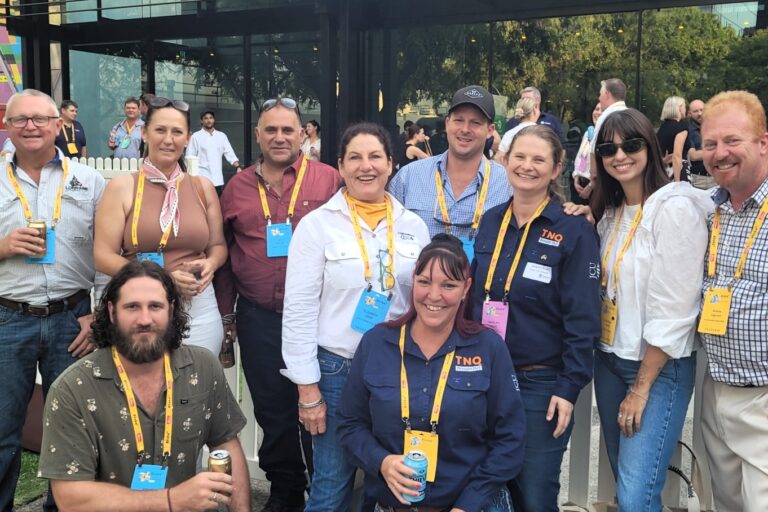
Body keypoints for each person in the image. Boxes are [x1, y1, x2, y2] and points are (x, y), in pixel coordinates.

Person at [281, 122, 430, 511]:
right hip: (337, 370)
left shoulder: (414, 227)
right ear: (341, 166)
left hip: (398, 369)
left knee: (390, 479)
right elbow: (298, 308)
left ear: (391, 164)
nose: (366, 166)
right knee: (332, 484)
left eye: (375, 156)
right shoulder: (317, 226)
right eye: (355, 158)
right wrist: (307, 389)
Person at [38, 260, 251, 512]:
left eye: (155, 306)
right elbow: (70, 498)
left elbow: (226, 444)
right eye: (132, 307)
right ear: (112, 311)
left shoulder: (202, 367)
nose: (145, 319)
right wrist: (172, 500)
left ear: (171, 310)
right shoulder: (73, 389)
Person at [214, 96, 341, 512]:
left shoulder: (329, 180)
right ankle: (286, 490)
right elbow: (225, 256)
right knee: (272, 411)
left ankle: (325, 492)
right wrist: (228, 316)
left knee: (318, 406)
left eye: (288, 129)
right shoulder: (236, 188)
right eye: (271, 129)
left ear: (303, 134)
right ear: (257, 135)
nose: (280, 137)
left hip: (318, 320)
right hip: (260, 319)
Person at [337, 234, 526, 511]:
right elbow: (349, 424)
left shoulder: (489, 348)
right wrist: (381, 461)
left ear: (466, 288)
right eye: (425, 282)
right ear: (413, 281)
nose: (434, 296)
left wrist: (468, 504)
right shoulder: (377, 343)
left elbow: (510, 439)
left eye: (448, 285)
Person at [471, 125, 600, 511]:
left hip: (539, 384)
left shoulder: (574, 229)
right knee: (487, 488)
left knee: (534, 494)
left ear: (556, 168)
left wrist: (568, 387)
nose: (527, 166)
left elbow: (583, 318)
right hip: (483, 376)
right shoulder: (491, 221)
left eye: (539, 159)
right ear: (505, 161)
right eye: (520, 157)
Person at [590, 108, 711, 511]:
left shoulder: (674, 209)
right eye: (608, 149)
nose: (620, 155)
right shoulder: (609, 214)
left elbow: (678, 305)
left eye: (631, 144)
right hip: (610, 360)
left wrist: (640, 389)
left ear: (651, 147)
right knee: (626, 484)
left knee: (635, 496)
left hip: (656, 369)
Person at [0, 88, 105, 511]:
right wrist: (3, 246)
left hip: (74, 319)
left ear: (58, 125)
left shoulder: (89, 180)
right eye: (20, 119)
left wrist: (99, 314)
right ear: (7, 125)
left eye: (40, 119)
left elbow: (106, 253)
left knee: (74, 428)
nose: (30, 126)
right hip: (8, 318)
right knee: (3, 429)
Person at [94, 96, 226, 355]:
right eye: (160, 130)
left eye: (177, 132)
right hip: (142, 307)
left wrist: (211, 264)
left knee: (197, 376)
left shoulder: (203, 187)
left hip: (199, 309)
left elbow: (218, 245)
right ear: (144, 133)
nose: (168, 139)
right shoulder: (122, 187)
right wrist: (163, 278)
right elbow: (102, 256)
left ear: (187, 138)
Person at [698, 90, 768, 512]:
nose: (720, 153)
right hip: (716, 388)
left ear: (763, 143)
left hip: (763, 394)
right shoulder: (710, 209)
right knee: (725, 504)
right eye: (710, 143)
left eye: (732, 141)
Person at [388, 85, 512, 261]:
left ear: (490, 130)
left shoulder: (507, 185)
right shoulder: (408, 177)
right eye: (459, 120)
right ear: (447, 124)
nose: (465, 129)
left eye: (475, 122)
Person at [186, 110, 241, 195]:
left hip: (217, 179)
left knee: (217, 202)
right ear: (201, 121)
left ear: (214, 120)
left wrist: (238, 167)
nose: (209, 120)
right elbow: (190, 157)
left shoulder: (221, 136)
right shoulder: (196, 136)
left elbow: (230, 153)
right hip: (202, 178)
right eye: (206, 118)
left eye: (211, 118)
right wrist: (192, 179)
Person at [571, 103, 602, 204]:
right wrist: (577, 177)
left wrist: (591, 186)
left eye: (602, 110)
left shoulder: (606, 135)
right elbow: (582, 157)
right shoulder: (589, 132)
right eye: (596, 109)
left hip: (595, 187)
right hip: (581, 183)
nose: (598, 113)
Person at [656, 96, 689, 182]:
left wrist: (663, 161)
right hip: (678, 170)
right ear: (679, 108)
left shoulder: (662, 128)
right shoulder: (681, 127)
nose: (685, 109)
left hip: (662, 172)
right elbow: (677, 155)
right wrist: (677, 182)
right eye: (684, 106)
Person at [684, 99, 713, 190]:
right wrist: (716, 150)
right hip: (700, 179)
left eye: (701, 110)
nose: (700, 113)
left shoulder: (714, 126)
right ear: (690, 113)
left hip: (718, 177)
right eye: (695, 111)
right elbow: (694, 156)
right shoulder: (687, 130)